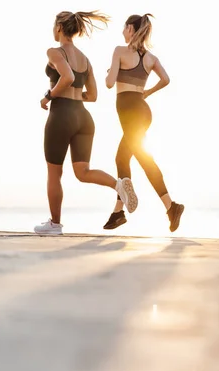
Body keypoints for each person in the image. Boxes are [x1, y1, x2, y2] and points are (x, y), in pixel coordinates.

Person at [35, 11, 138, 235]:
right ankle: (118, 185)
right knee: (83, 172)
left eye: (54, 26)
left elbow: (68, 77)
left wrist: (49, 96)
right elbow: (92, 96)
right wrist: (73, 96)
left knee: (54, 173)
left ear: (60, 28)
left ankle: (54, 225)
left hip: (61, 116)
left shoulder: (54, 52)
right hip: (83, 118)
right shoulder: (85, 59)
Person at [104, 13, 184, 232]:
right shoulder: (150, 58)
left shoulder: (120, 51)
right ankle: (118, 212)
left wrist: (109, 73)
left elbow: (110, 84)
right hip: (143, 111)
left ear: (131, 28)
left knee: (135, 157)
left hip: (130, 112)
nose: (122, 32)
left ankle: (170, 207)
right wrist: (147, 91)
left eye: (124, 28)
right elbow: (166, 79)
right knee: (128, 156)